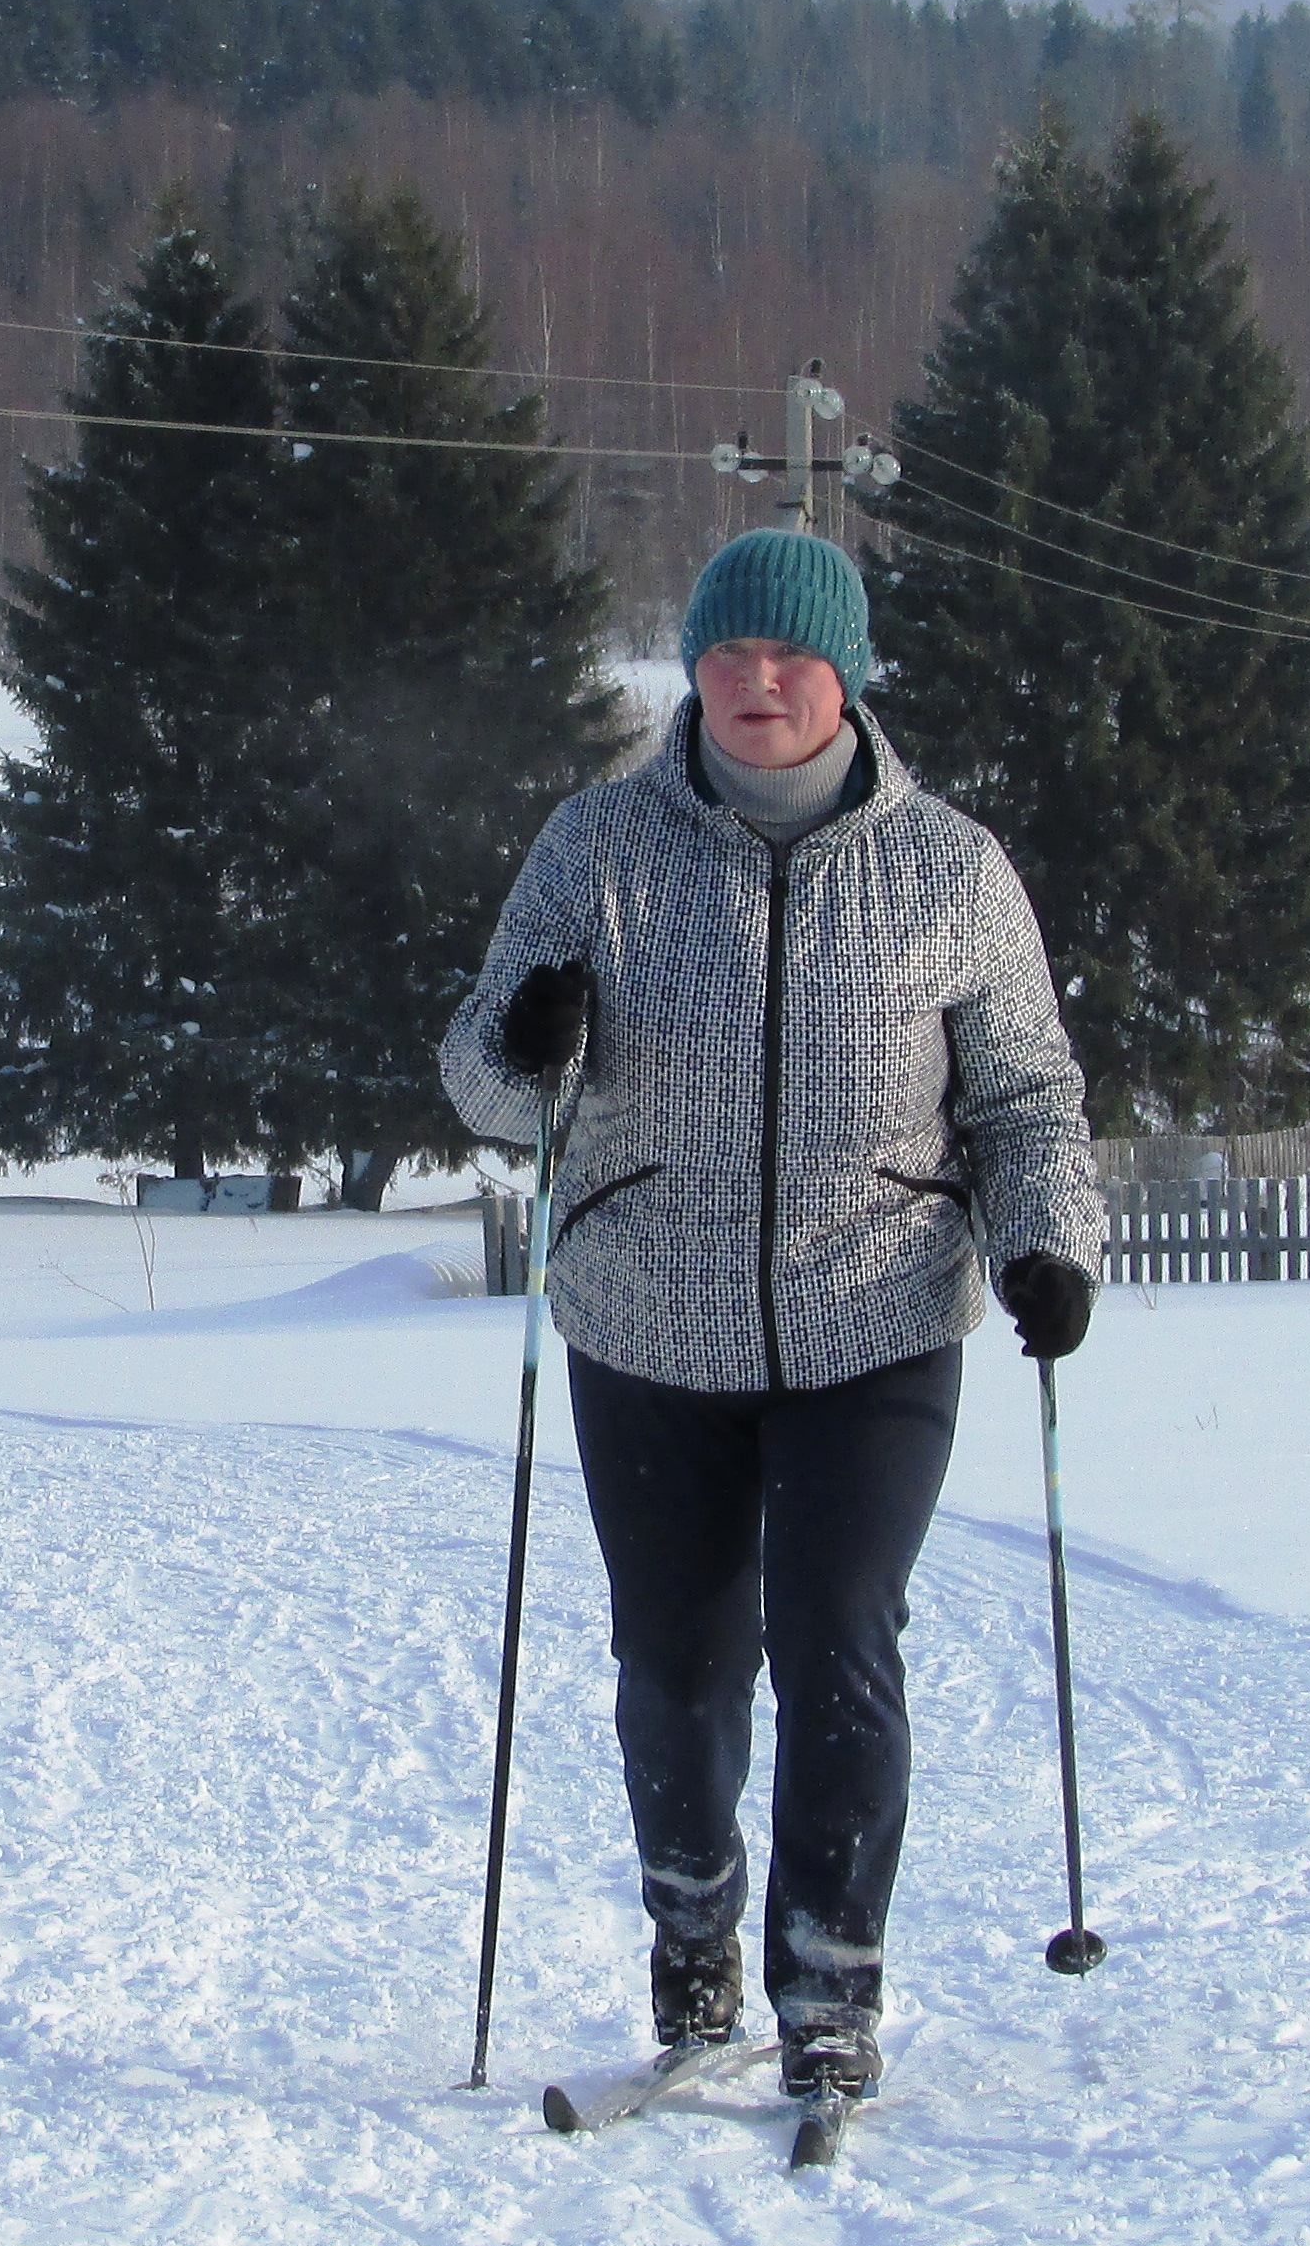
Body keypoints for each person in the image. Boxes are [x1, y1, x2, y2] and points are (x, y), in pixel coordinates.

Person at [441, 525, 1100, 2112]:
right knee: (675, 1668)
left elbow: (1027, 1096)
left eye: (790, 655)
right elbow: (475, 1078)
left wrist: (1047, 1249)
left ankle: (830, 1983)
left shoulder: (950, 867)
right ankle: (693, 1932)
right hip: (646, 1323)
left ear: (846, 675)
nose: (757, 680)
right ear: (692, 669)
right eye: (728, 653)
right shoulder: (597, 846)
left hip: (875, 1321)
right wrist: (524, 1041)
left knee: (839, 1650)